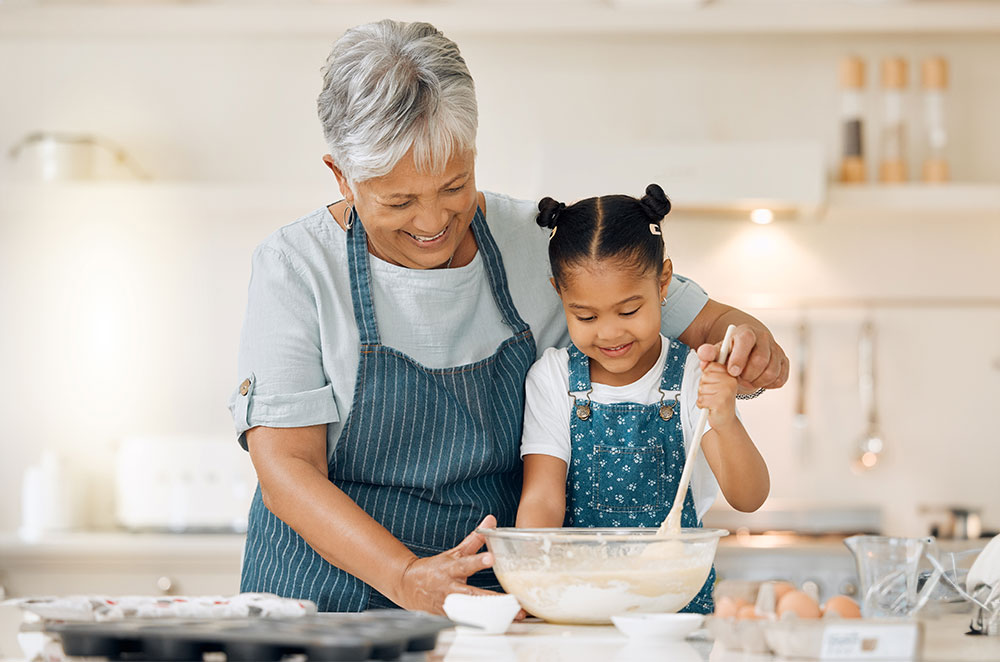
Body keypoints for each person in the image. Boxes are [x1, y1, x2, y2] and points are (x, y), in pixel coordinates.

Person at [228, 19, 787, 616]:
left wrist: (752, 345)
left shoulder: (536, 242)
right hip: (322, 604)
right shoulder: (295, 267)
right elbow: (287, 467)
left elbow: (705, 323)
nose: (431, 221)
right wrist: (406, 576)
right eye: (398, 201)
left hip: (491, 610)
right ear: (341, 175)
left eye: (454, 185)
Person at [514, 184, 771, 613]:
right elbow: (542, 499)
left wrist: (724, 417)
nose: (611, 332)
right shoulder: (553, 380)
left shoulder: (694, 374)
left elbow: (749, 497)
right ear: (559, 292)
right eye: (586, 316)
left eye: (629, 310)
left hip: (676, 613)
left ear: (663, 282)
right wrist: (528, 581)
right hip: (581, 609)